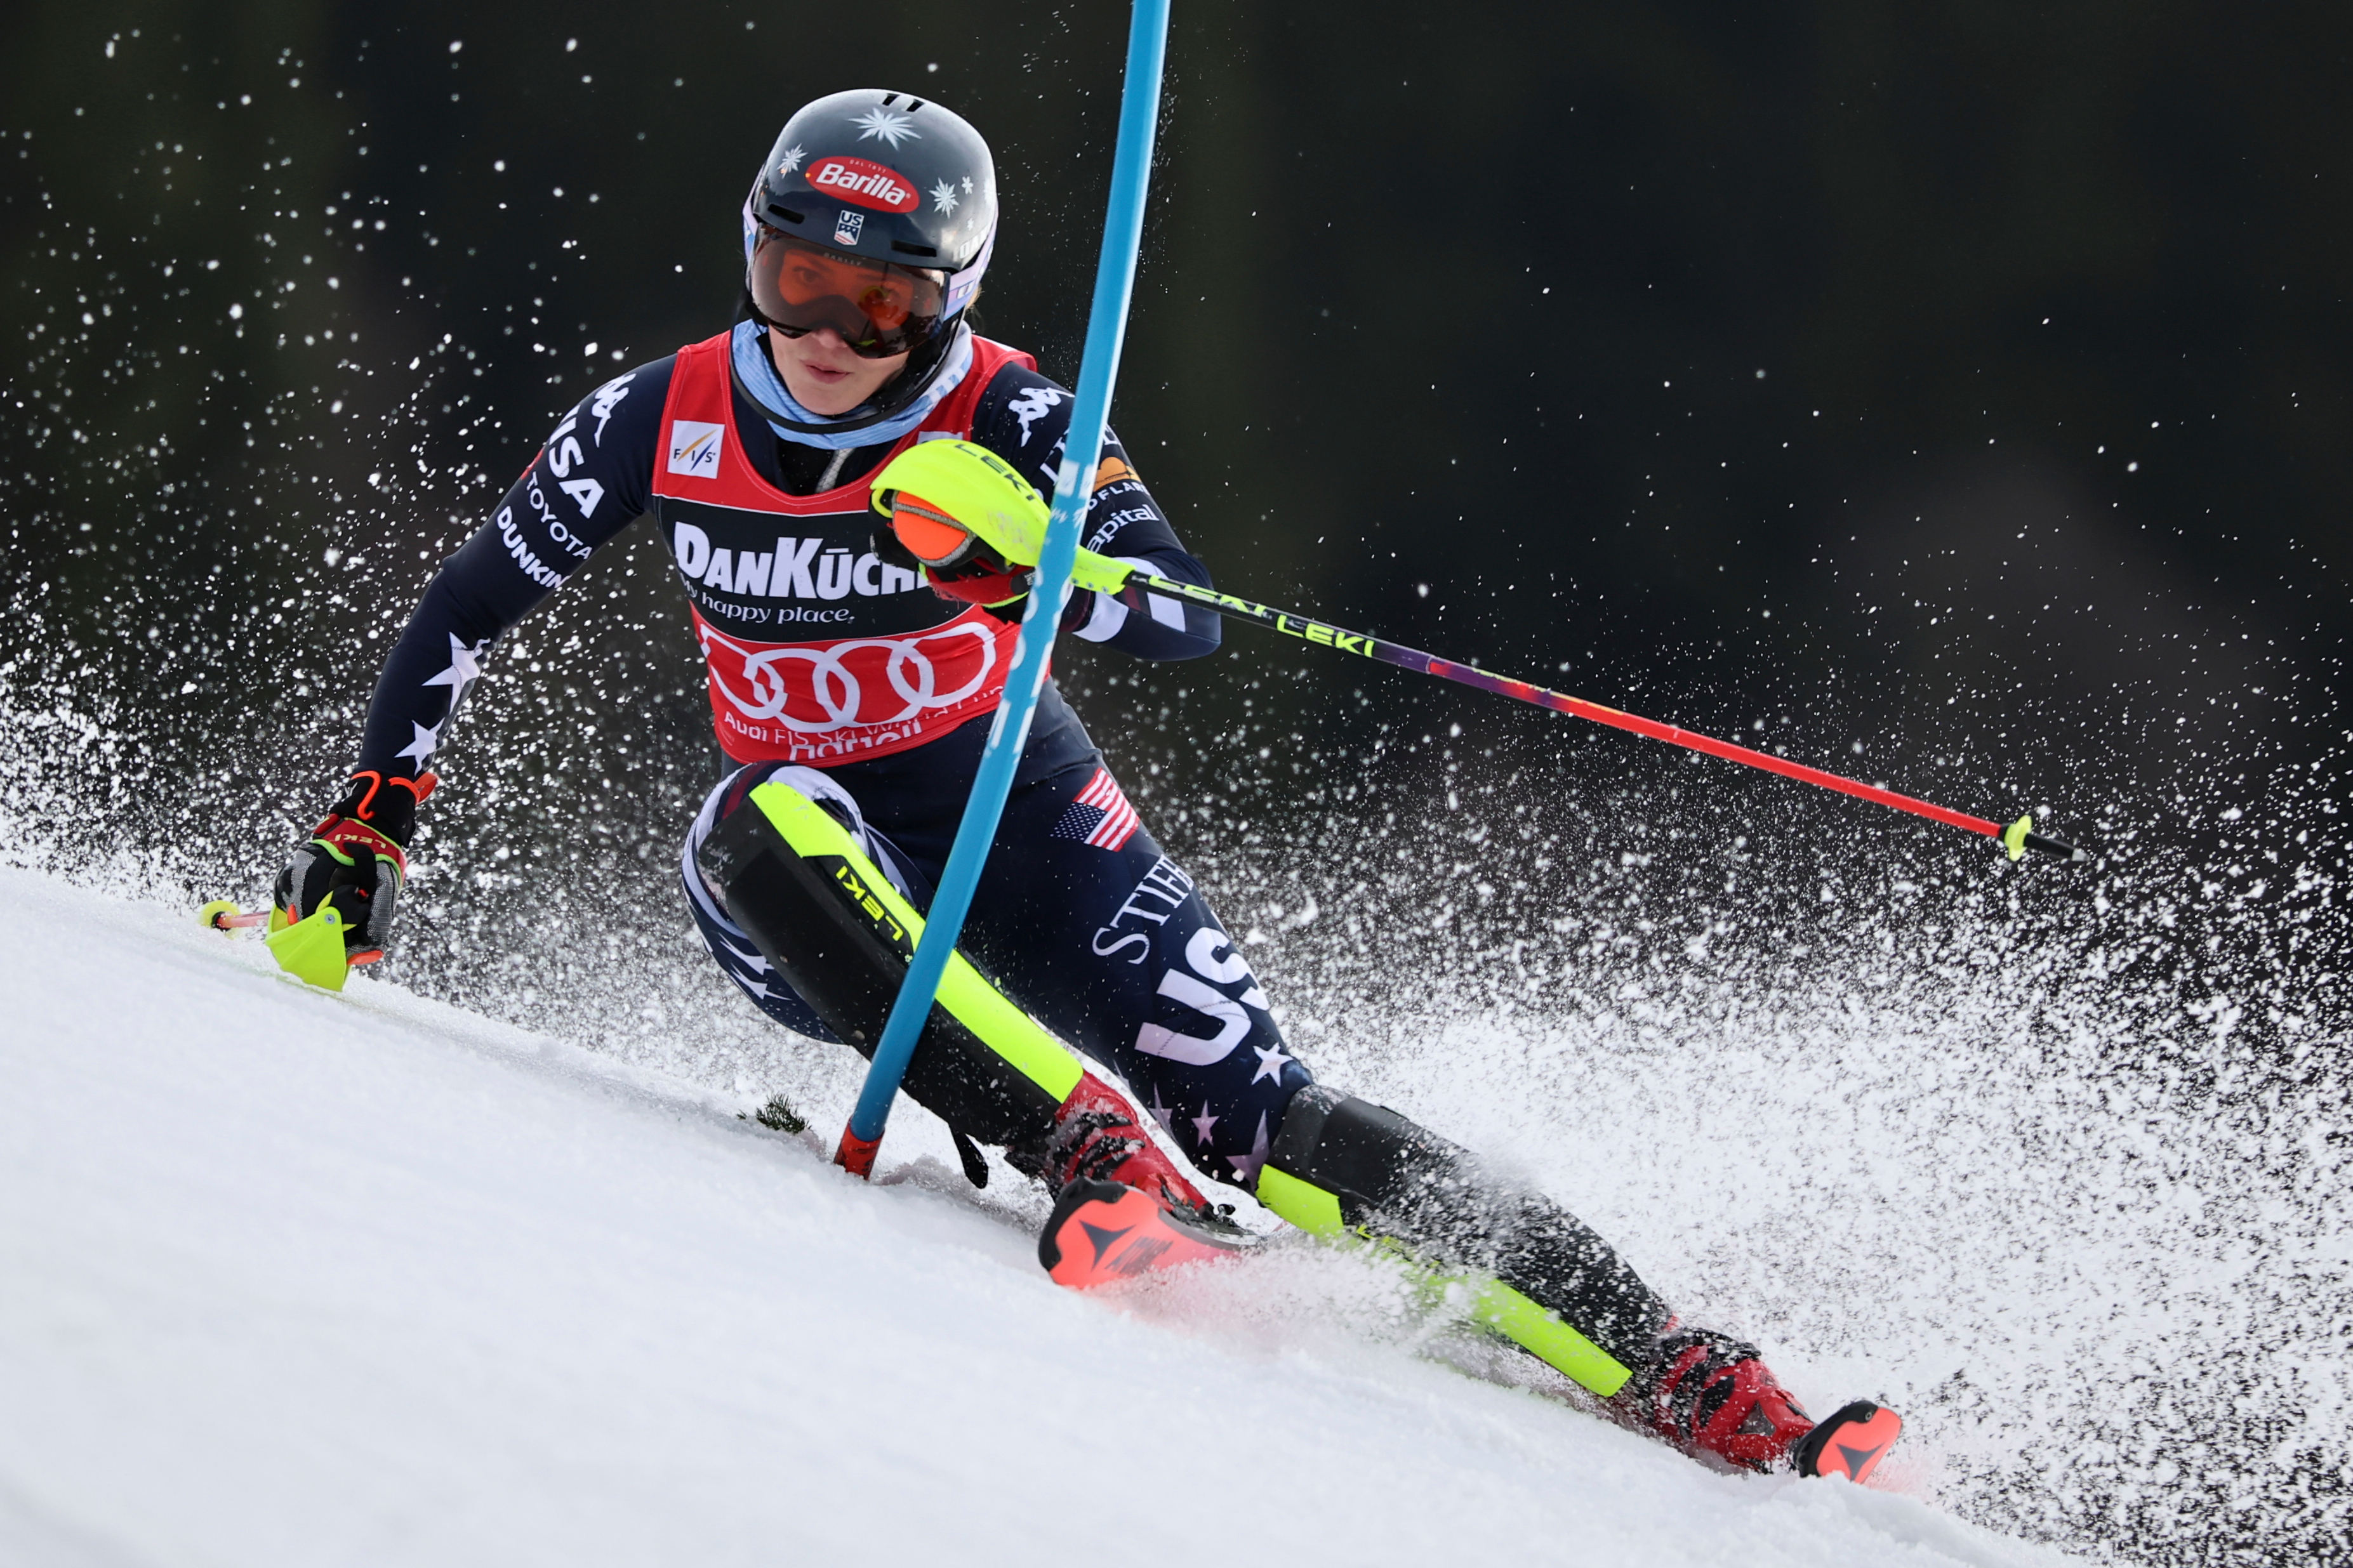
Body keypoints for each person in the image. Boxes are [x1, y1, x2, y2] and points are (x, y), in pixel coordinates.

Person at [272, 88, 1897, 1481]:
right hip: (812, 885)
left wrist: (1025, 562)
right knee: (755, 816)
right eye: (798, 279)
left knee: (1275, 1120)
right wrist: (373, 823)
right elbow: (468, 604)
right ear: (752, 253)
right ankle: (1088, 1160)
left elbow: (1179, 613)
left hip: (1031, 829)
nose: (829, 336)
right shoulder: (665, 414)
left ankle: (1692, 1376)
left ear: (949, 302)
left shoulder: (1020, 412)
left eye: (882, 306)